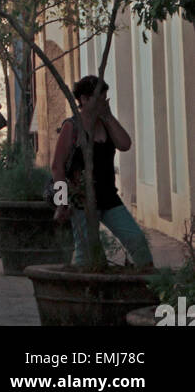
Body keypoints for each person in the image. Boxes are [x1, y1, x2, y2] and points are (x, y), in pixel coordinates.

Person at [52, 75, 153, 270]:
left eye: (105, 98)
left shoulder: (106, 123)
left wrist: (107, 116)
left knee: (136, 240)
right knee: (87, 253)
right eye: (98, 99)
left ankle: (148, 282)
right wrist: (61, 202)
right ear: (84, 99)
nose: (102, 103)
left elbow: (125, 144)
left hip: (109, 197)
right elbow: (57, 166)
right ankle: (81, 293)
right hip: (83, 200)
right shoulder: (71, 127)